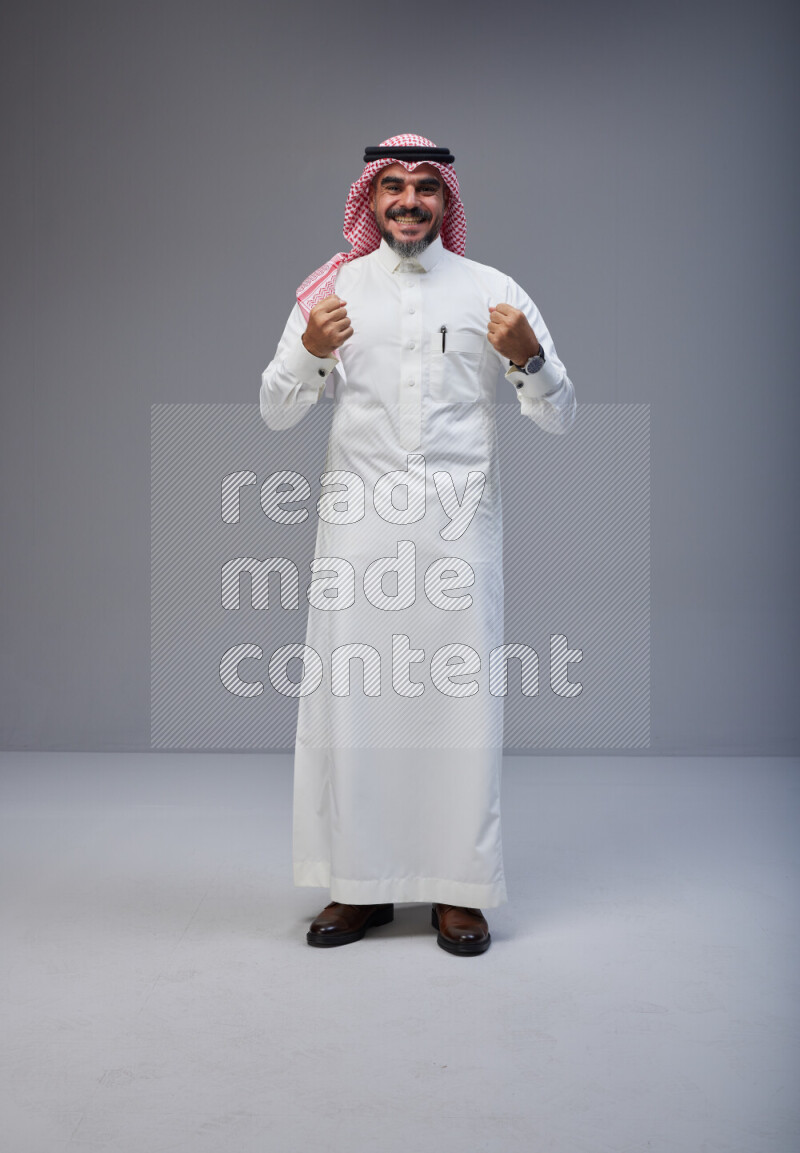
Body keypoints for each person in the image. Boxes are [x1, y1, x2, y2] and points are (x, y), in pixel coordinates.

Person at [260, 134, 576, 956]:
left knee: (457, 712)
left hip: (456, 535)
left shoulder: (493, 292)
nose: (408, 200)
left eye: (425, 187)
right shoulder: (332, 292)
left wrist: (528, 358)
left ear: (447, 201)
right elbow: (274, 410)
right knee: (354, 710)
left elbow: (560, 412)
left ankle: (456, 890)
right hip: (358, 535)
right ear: (369, 200)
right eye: (392, 186)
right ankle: (359, 887)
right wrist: (309, 350)